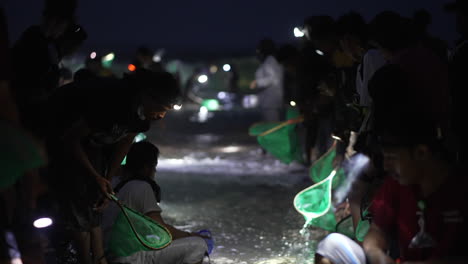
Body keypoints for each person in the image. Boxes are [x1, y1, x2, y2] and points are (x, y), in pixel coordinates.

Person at [314, 65, 468, 264]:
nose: (386, 167)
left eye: (392, 158)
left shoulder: (460, 190)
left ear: (421, 153)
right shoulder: (395, 187)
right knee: (331, 245)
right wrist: (376, 254)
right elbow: (376, 231)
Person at [46, 69, 181, 264]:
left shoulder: (141, 117)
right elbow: (71, 139)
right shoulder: (114, 102)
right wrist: (95, 176)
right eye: (161, 109)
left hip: (94, 141)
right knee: (78, 201)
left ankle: (99, 258)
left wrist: (107, 178)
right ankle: (85, 258)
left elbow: (125, 142)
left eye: (166, 112)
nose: (161, 116)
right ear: (147, 96)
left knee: (99, 198)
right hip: (58, 131)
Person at [103, 141, 208, 264]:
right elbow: (162, 231)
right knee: (198, 245)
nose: (155, 171)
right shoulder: (141, 187)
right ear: (147, 168)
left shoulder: (113, 182)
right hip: (128, 257)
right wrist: (190, 235)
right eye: (154, 167)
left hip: (107, 252)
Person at [251, 38, 284, 122]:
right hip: (268, 101)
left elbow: (273, 77)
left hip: (271, 101)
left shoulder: (270, 60)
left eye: (259, 49)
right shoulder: (269, 60)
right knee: (270, 124)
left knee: (272, 125)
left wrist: (257, 82)